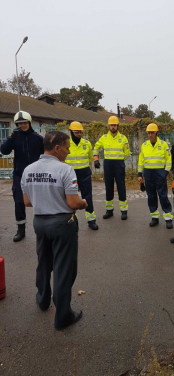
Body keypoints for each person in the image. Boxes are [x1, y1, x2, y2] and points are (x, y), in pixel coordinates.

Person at [21, 131, 88, 330]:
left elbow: (26, 201)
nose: (68, 151)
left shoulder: (28, 169)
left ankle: (42, 299)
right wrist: (84, 203)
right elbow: (73, 202)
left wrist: (45, 200)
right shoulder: (65, 170)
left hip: (40, 223)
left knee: (43, 262)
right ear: (57, 148)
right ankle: (63, 316)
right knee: (63, 269)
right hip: (62, 224)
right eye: (67, 147)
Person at [0, 111, 44, 242]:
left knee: (40, 201)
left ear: (29, 123)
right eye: (19, 123)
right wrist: (11, 137)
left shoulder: (38, 138)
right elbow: (4, 150)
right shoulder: (14, 137)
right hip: (19, 174)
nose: (22, 125)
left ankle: (42, 228)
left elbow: (45, 154)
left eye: (24, 123)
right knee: (19, 201)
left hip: (36, 174)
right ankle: (21, 229)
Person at [93, 116, 131, 219]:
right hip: (108, 165)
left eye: (114, 125)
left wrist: (120, 159)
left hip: (119, 165)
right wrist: (95, 159)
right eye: (111, 125)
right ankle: (109, 210)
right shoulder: (104, 137)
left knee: (121, 187)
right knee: (108, 187)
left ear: (118, 126)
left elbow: (127, 153)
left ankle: (124, 211)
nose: (113, 127)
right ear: (109, 126)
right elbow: (96, 147)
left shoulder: (123, 138)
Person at [137, 123, 173, 228]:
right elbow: (141, 161)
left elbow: (168, 159)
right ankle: (154, 217)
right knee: (151, 196)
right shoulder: (144, 145)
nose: (150, 135)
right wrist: (140, 174)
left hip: (160, 173)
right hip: (148, 174)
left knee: (163, 195)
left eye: (152, 133)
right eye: (148, 133)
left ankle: (168, 218)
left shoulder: (164, 145)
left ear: (156, 133)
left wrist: (166, 172)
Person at [65, 121, 98, 230]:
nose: (79, 134)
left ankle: (91, 219)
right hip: (70, 174)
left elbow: (89, 158)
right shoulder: (65, 143)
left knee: (87, 195)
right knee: (70, 196)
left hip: (84, 172)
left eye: (80, 132)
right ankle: (71, 219)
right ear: (71, 132)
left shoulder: (86, 143)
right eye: (76, 132)